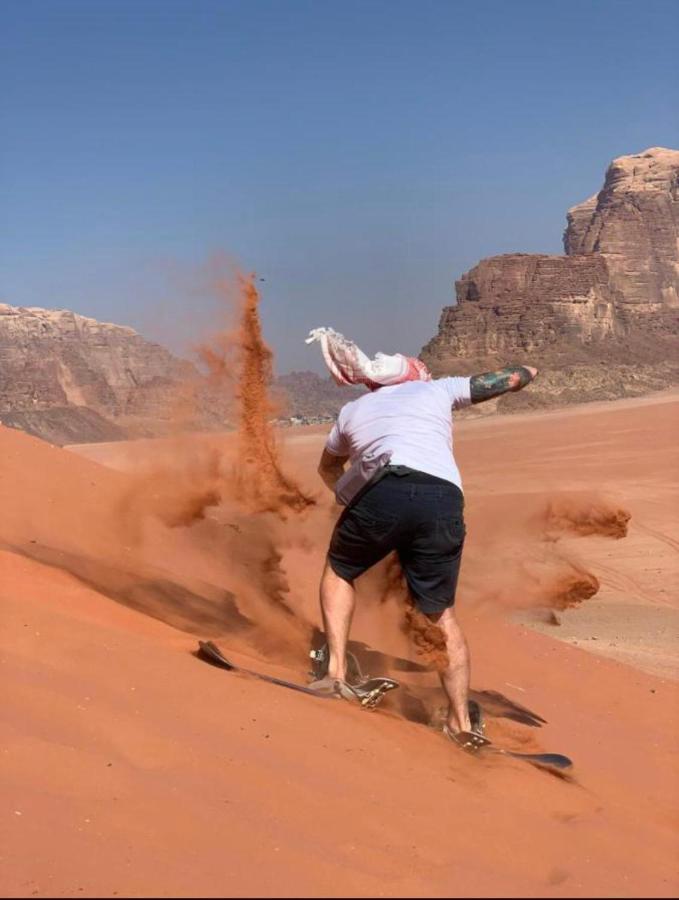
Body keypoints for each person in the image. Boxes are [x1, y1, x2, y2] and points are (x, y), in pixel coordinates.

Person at [306, 327, 537, 742]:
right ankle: (460, 723)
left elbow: (327, 469)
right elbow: (517, 376)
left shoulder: (353, 411)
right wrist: (527, 369)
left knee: (340, 570)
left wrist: (348, 497)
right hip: (443, 502)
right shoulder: (437, 391)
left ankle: (336, 672)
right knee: (439, 612)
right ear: (413, 377)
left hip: (384, 492)